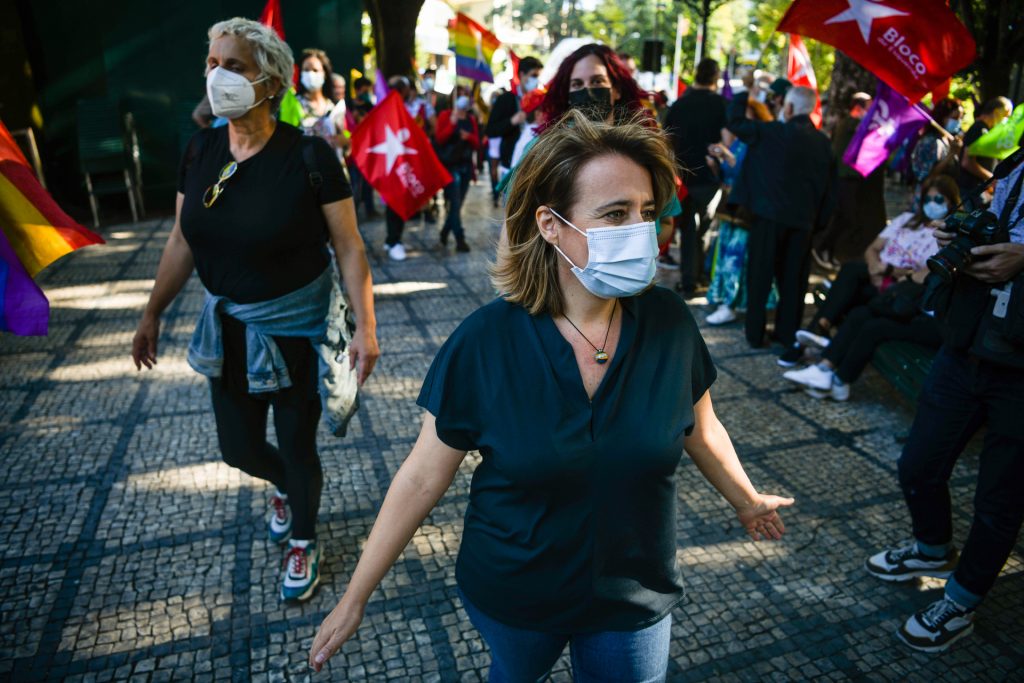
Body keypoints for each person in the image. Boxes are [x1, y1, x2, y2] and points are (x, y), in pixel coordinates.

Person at [308, 111, 794, 679]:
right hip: (516, 597)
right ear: (550, 224)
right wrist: (356, 595)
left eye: (645, 212)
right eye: (615, 214)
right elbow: (421, 475)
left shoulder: (668, 322)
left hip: (633, 598)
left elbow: (701, 426)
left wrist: (746, 499)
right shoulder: (486, 341)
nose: (641, 231)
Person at [130, 18, 379, 602]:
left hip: (297, 327)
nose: (217, 76)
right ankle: (287, 490)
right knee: (237, 449)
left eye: (233, 66)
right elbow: (180, 240)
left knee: (298, 447)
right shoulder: (200, 149)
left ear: (271, 81)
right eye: (211, 64)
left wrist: (365, 328)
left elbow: (349, 246)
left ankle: (304, 538)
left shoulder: (312, 156)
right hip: (231, 329)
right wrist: (151, 312)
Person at [864, 154, 1024, 652]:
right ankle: (933, 548)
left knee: (999, 501)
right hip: (968, 339)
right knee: (918, 463)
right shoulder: (1017, 160)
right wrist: (960, 236)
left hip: (1021, 367)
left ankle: (961, 599)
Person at [781, 175, 958, 400]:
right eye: (928, 198)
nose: (932, 204)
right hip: (892, 291)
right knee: (858, 303)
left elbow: (923, 275)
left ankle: (831, 363)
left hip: (911, 301)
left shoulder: (948, 240)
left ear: (952, 202)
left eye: (939, 199)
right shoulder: (907, 220)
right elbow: (873, 249)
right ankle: (825, 367)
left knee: (868, 314)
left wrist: (888, 272)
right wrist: (877, 268)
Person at [726, 85, 836, 353]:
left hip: (768, 219)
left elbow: (735, 121)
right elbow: (831, 190)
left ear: (788, 108)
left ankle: (755, 333)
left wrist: (745, 92)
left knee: (760, 277)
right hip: (802, 223)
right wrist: (818, 224)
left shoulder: (769, 132)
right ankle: (787, 334)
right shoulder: (823, 143)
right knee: (793, 282)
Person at [663, 58, 728, 297]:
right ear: (715, 77)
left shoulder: (680, 105)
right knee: (704, 229)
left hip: (683, 175)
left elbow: (666, 139)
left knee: (689, 230)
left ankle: (689, 279)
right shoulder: (722, 105)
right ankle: (697, 275)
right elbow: (728, 139)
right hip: (710, 175)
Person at [812, 92, 887, 268]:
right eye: (869, 107)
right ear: (859, 107)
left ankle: (828, 251)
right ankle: (821, 246)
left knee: (846, 216)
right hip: (844, 179)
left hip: (849, 178)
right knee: (844, 215)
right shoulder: (850, 123)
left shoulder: (850, 124)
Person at [484, 56, 543, 187]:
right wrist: (512, 121)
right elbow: (491, 129)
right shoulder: (506, 99)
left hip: (535, 167)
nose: (536, 80)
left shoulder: (541, 100)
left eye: (538, 76)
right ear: (522, 75)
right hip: (511, 168)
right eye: (533, 75)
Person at [434, 94, 480, 252]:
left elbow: (477, 143)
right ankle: (460, 239)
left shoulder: (470, 118)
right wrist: (452, 123)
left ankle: (445, 232)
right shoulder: (445, 115)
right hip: (450, 167)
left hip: (466, 166)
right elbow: (440, 139)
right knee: (454, 202)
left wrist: (469, 137)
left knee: (457, 204)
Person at [295, 49, 346, 158]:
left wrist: (345, 141)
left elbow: (345, 138)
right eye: (306, 70)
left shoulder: (335, 107)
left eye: (315, 70)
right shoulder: (294, 104)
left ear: (324, 73)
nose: (310, 74)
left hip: (332, 169)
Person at [910, 98, 964, 199]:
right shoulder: (930, 142)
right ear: (943, 117)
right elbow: (925, 177)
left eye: (961, 118)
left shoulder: (947, 140)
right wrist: (951, 154)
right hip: (930, 200)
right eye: (955, 118)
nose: (958, 122)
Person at [959, 96, 1012, 195]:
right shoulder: (979, 128)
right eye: (1006, 115)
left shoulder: (986, 131)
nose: (1007, 120)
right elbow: (967, 162)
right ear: (996, 112)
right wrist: (992, 178)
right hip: (970, 190)